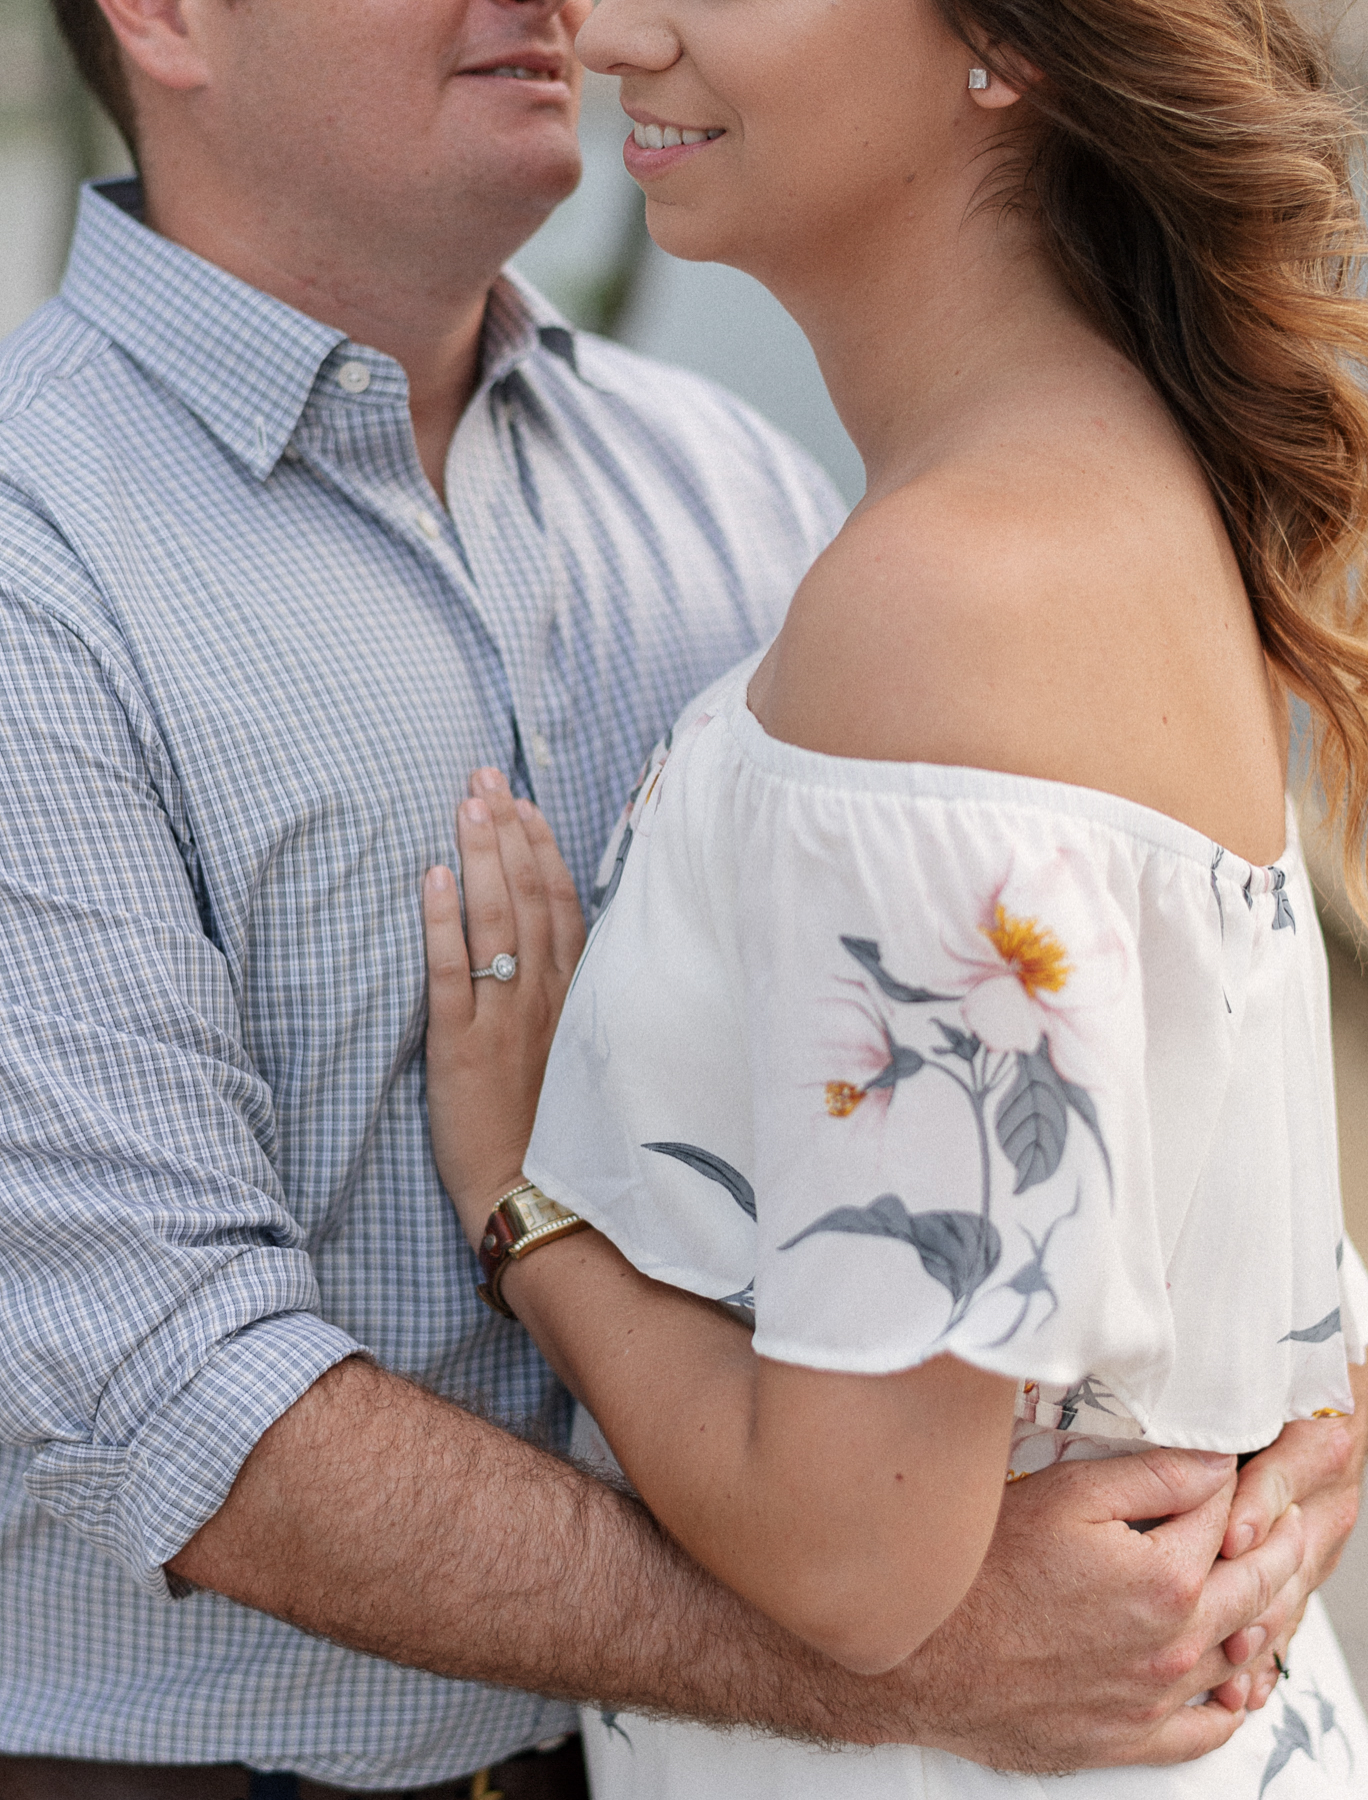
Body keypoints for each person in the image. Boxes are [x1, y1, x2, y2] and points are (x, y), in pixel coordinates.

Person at [0, 0, 1357, 1792]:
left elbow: (1112, 1103)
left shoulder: (760, 501)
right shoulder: (39, 572)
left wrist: (1276, 1432)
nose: (583, 6)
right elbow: (161, 1385)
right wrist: (918, 1664)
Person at [415, 0, 1368, 1794]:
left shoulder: (946, 606)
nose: (612, 30)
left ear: (1004, 44)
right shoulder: (1111, 496)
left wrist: (526, 1206)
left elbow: (863, 1563)